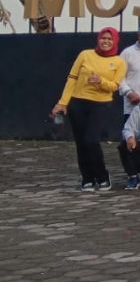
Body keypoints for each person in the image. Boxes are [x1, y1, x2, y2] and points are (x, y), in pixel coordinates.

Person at [52, 26, 128, 189]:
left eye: (109, 39)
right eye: (103, 38)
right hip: (78, 103)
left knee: (91, 140)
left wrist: (100, 81)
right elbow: (72, 78)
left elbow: (115, 86)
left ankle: (102, 175)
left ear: (115, 41)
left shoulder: (119, 62)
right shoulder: (85, 55)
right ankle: (87, 177)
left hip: (101, 104)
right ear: (98, 39)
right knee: (81, 143)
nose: (106, 42)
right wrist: (63, 102)